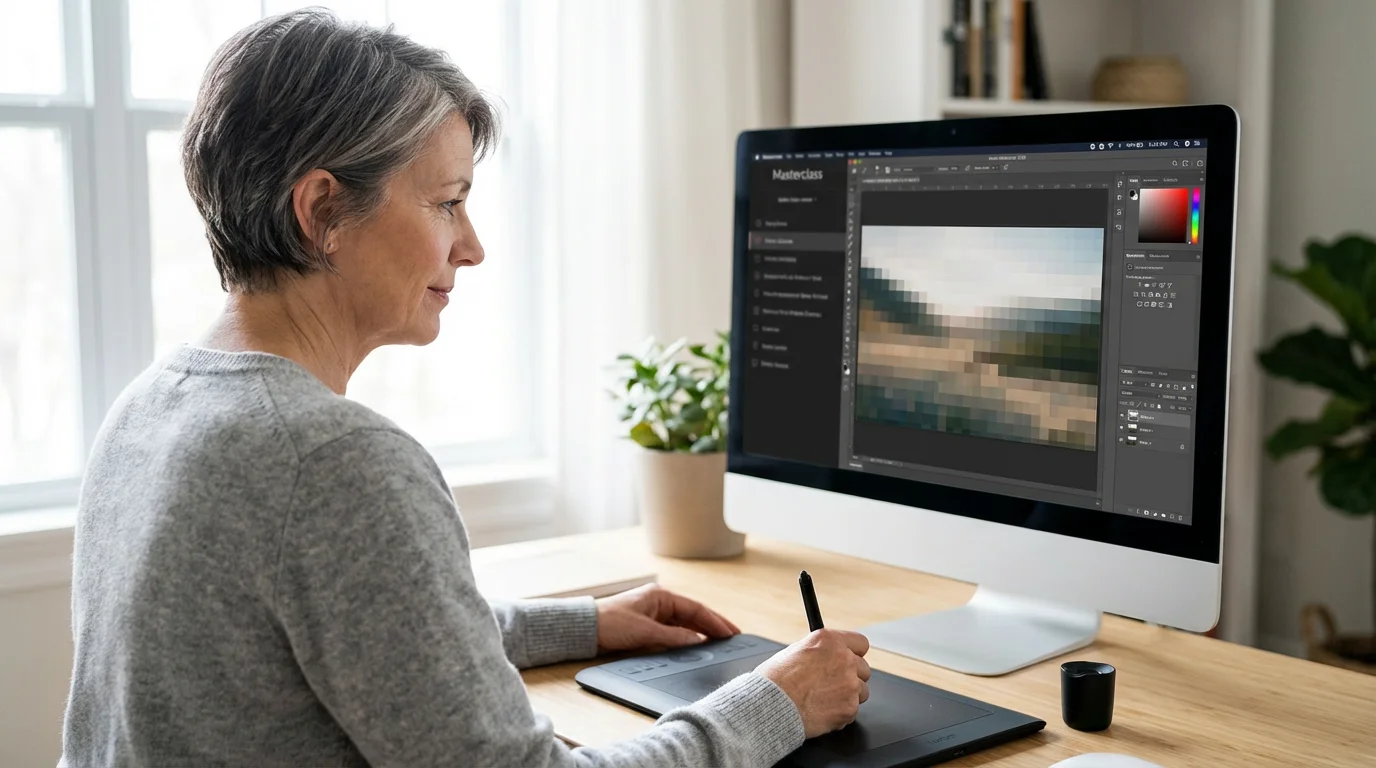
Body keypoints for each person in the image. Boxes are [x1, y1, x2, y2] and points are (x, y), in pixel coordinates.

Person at [59, 9, 870, 767]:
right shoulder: (332, 461)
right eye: (448, 204)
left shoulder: (153, 406)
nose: (472, 247)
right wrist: (776, 702)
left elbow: (348, 640)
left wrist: (583, 624)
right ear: (321, 211)